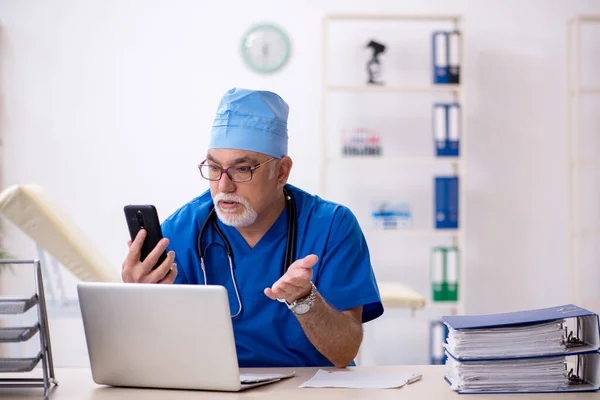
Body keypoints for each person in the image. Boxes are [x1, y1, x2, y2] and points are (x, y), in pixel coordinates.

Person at [121, 88, 384, 368]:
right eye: (213, 168)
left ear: (281, 172)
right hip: (214, 387)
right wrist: (139, 299)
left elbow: (343, 353)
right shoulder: (182, 230)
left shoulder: (332, 225)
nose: (224, 186)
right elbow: (157, 356)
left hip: (310, 389)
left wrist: (305, 300)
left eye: (241, 169)